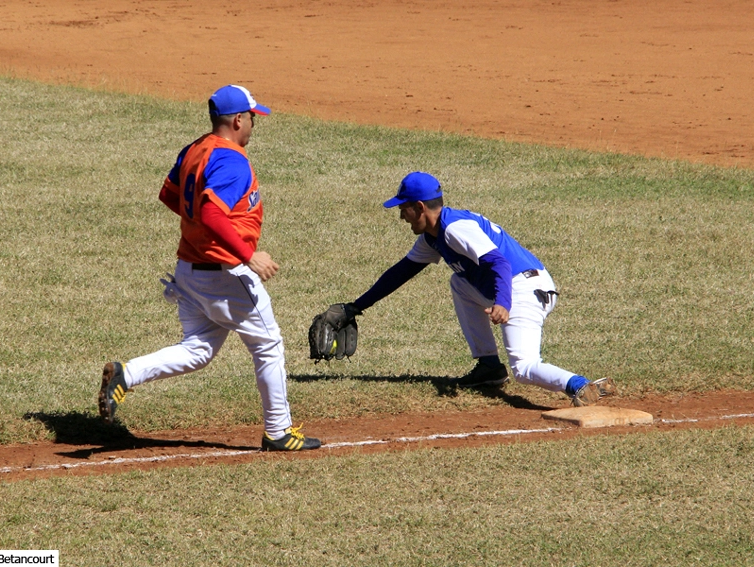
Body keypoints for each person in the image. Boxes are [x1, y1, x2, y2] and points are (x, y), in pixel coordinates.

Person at [98, 84, 321, 451]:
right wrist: (247, 255)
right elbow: (212, 212)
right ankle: (279, 431)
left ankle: (127, 374)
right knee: (268, 345)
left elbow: (169, 194)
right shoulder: (232, 160)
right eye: (252, 118)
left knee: (198, 349)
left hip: (189, 270)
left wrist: (201, 232)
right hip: (225, 276)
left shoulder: (196, 148)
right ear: (237, 120)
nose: (253, 125)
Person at [345, 171, 616, 406]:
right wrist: (354, 307)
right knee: (459, 283)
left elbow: (499, 262)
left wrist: (503, 303)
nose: (402, 217)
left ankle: (581, 385)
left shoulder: (454, 229)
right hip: (519, 284)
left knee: (523, 368)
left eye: (403, 209)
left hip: (524, 287)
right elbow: (400, 273)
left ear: (419, 207)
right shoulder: (434, 236)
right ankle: (488, 366)